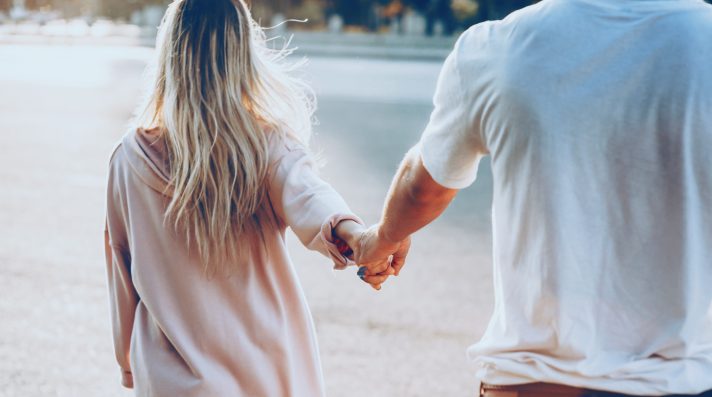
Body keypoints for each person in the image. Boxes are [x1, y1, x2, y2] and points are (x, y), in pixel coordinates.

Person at [357, 0, 712, 395]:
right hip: (684, 379)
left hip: (537, 380)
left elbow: (423, 189)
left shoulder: (497, 47)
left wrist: (382, 239)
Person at [103, 1, 391, 396]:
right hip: (265, 373)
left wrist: (127, 364)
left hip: (169, 380)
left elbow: (122, 269)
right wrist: (358, 238)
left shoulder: (128, 160)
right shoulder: (264, 146)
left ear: (170, 52)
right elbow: (310, 197)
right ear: (244, 53)